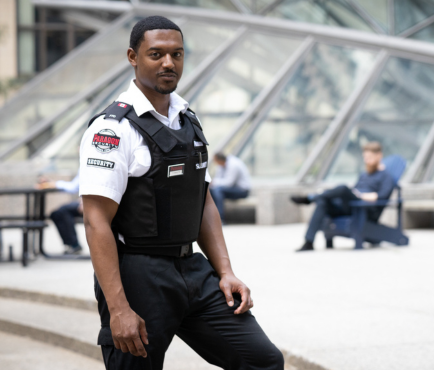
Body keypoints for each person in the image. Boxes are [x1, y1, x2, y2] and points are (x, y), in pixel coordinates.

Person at [79, 16, 282, 370]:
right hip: (140, 274)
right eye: (156, 54)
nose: (168, 63)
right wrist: (119, 308)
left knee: (262, 360)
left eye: (177, 54)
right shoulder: (112, 130)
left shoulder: (189, 120)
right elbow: (96, 221)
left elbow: (202, 200)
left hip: (193, 270)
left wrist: (226, 272)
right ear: (133, 56)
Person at [290, 142, 394, 252]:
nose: (366, 160)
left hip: (364, 208)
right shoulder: (364, 174)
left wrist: (361, 195)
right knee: (323, 202)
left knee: (343, 188)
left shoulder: (386, 176)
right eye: (365, 157)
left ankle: (311, 198)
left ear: (379, 155)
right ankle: (309, 242)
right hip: (351, 206)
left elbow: (382, 196)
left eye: (370, 157)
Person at [37, 172, 83, 254]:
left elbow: (73, 188)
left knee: (62, 211)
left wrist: (54, 184)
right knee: (56, 213)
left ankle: (74, 245)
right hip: (86, 201)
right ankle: (71, 245)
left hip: (92, 203)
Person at [210, 152, 251, 222]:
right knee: (212, 190)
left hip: (242, 191)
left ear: (219, 160)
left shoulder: (233, 164)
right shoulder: (221, 165)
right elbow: (219, 179)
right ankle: (213, 217)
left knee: (217, 190)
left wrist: (214, 182)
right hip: (230, 189)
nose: (215, 163)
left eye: (215, 161)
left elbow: (229, 183)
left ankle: (220, 218)